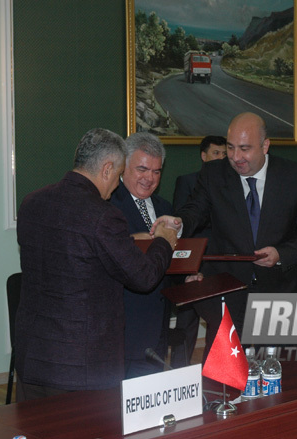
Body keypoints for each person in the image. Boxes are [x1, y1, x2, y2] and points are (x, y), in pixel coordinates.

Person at [15, 128, 177, 401]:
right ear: (107, 168)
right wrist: (163, 241)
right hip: (82, 365)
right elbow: (144, 276)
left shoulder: (31, 202)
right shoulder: (103, 216)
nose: (115, 186)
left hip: (33, 354)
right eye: (117, 176)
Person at [157, 112, 297, 360]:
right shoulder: (214, 174)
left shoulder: (292, 176)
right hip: (228, 296)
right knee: (225, 379)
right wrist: (179, 222)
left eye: (245, 149)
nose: (236, 157)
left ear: (265, 145)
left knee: (279, 379)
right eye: (230, 147)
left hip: (278, 296)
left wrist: (281, 254)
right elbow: (195, 210)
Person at [110, 132, 174, 378]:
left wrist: (186, 277)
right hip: (124, 328)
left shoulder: (165, 208)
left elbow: (168, 260)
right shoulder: (108, 207)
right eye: (142, 169)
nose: (150, 178)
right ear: (123, 166)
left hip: (157, 326)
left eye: (157, 171)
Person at [171, 135, 227, 367]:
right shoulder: (187, 181)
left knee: (219, 321)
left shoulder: (231, 183)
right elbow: (182, 224)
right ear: (203, 156)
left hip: (220, 262)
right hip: (193, 263)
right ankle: (178, 372)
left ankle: (212, 375)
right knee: (187, 321)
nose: (221, 158)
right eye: (216, 153)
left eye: (225, 154)